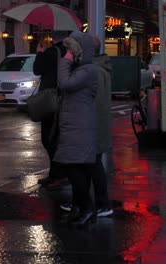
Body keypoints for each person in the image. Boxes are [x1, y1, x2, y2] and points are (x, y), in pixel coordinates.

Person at [60, 37, 114, 217]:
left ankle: (99, 204)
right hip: (96, 124)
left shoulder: (92, 70)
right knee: (89, 165)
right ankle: (88, 202)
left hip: (92, 126)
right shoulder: (100, 68)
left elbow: (82, 96)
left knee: (90, 165)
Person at [55, 31, 98, 227]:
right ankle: (80, 208)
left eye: (71, 49)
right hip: (74, 125)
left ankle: (87, 209)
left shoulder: (88, 70)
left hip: (79, 126)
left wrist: (66, 60)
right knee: (75, 168)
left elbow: (65, 83)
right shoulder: (82, 69)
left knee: (75, 168)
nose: (68, 53)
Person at [33, 30, 69, 189]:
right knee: (58, 138)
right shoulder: (69, 52)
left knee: (48, 138)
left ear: (54, 38)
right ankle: (57, 174)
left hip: (51, 99)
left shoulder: (51, 52)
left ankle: (58, 175)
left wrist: (39, 53)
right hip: (66, 98)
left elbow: (37, 69)